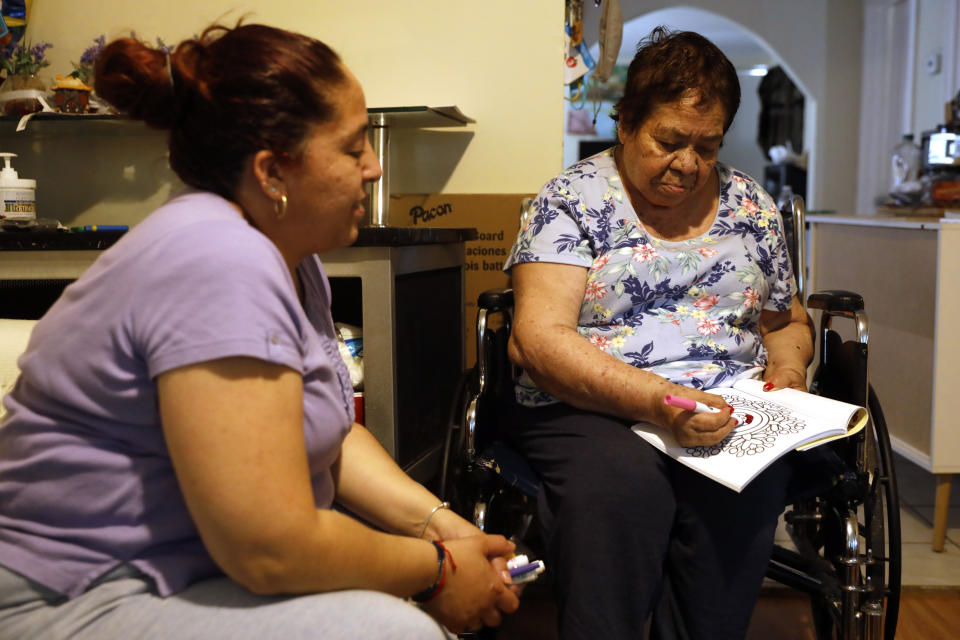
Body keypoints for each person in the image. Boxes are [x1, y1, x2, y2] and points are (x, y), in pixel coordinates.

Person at [0, 23, 519, 639]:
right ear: (273, 171)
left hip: (180, 573)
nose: (375, 168)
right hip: (70, 592)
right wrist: (435, 573)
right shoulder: (218, 258)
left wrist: (441, 527)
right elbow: (269, 546)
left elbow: (325, 430)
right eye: (353, 148)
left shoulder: (294, 259)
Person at [503, 27, 813, 640]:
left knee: (746, 487)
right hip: (588, 406)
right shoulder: (573, 199)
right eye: (669, 141)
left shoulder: (751, 205)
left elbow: (785, 321)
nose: (689, 165)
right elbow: (538, 339)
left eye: (708, 145)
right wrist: (658, 402)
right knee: (621, 487)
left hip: (727, 406)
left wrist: (789, 371)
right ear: (625, 125)